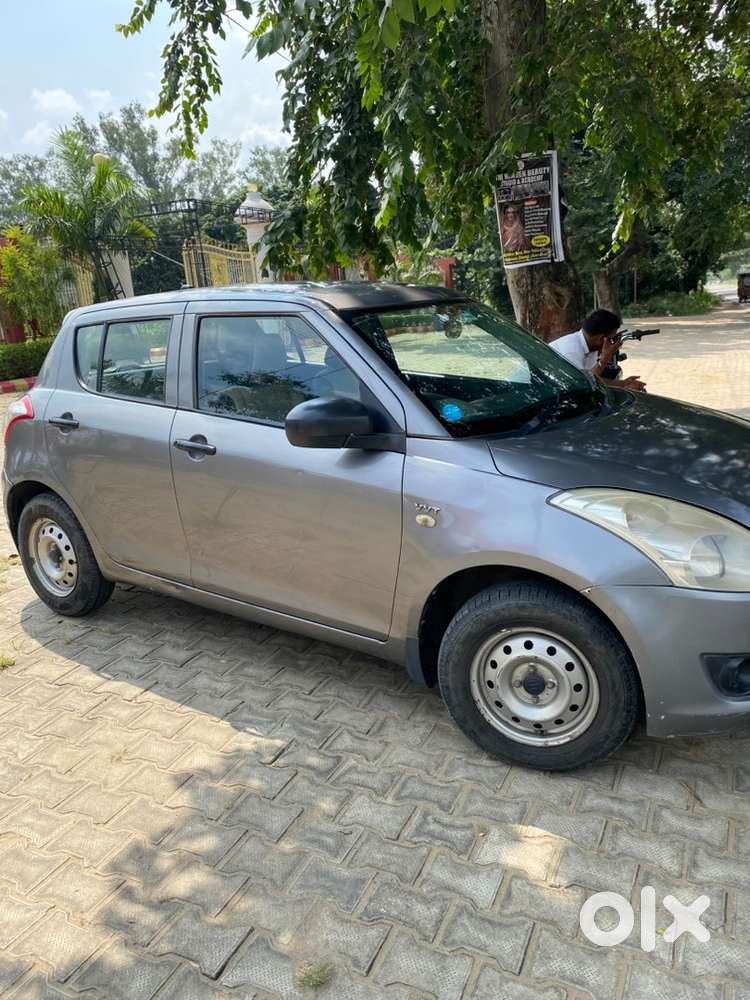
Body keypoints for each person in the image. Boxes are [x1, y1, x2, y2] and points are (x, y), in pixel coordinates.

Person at [550, 309, 646, 391]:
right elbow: (584, 384)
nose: (614, 342)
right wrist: (604, 358)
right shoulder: (571, 351)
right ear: (601, 339)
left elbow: (593, 377)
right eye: (612, 338)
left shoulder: (591, 347)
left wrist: (623, 384)